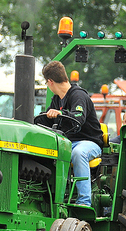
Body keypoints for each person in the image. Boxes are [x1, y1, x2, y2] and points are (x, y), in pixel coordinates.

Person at [34, 61, 103, 207]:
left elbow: (79, 117)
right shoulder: (57, 100)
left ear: (50, 82)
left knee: (78, 153)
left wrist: (61, 113)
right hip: (66, 143)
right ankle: (49, 199)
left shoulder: (78, 95)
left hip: (89, 142)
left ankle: (84, 202)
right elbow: (46, 120)